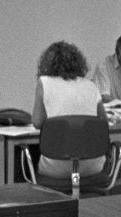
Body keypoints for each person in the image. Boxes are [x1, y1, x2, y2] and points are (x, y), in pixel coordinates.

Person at [32, 41, 107, 178]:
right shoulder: (91, 86)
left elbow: (37, 122)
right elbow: (103, 121)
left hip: (56, 167)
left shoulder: (44, 82)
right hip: (93, 165)